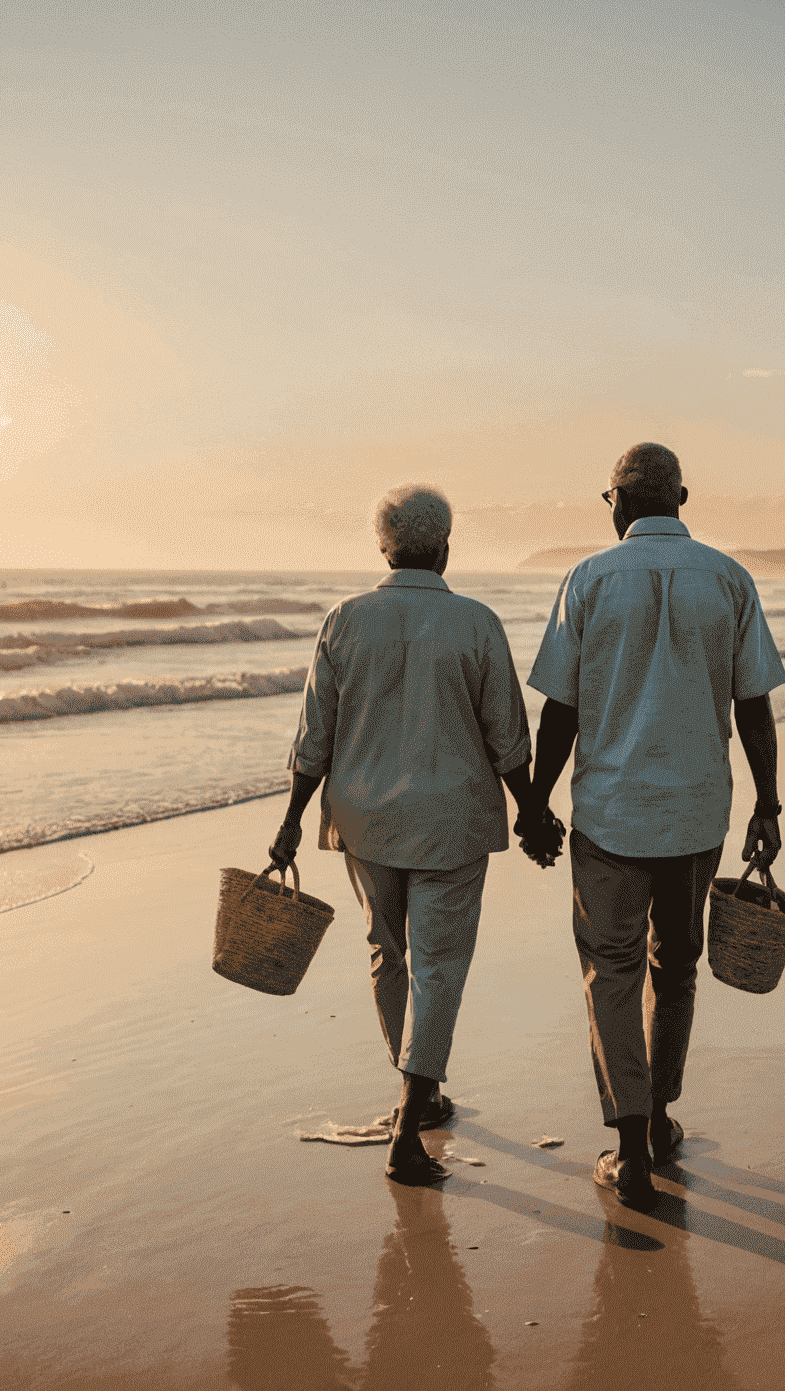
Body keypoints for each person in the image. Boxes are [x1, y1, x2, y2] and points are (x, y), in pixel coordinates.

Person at [526, 443, 785, 1210]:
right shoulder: (729, 579)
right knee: (676, 965)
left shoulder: (589, 579)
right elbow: (754, 704)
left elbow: (561, 708)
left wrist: (535, 802)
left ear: (616, 501)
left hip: (610, 814)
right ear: (681, 495)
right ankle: (662, 1116)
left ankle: (631, 1147)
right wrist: (768, 804)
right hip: (698, 811)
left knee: (612, 971)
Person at [269, 484, 551, 1185]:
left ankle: (419, 1093)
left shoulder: (343, 620)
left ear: (382, 547)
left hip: (366, 818)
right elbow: (507, 737)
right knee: (440, 966)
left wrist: (290, 821)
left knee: (386, 952)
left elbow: (315, 738)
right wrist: (533, 810)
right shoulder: (477, 623)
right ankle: (412, 1112)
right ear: (446, 547)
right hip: (451, 818)